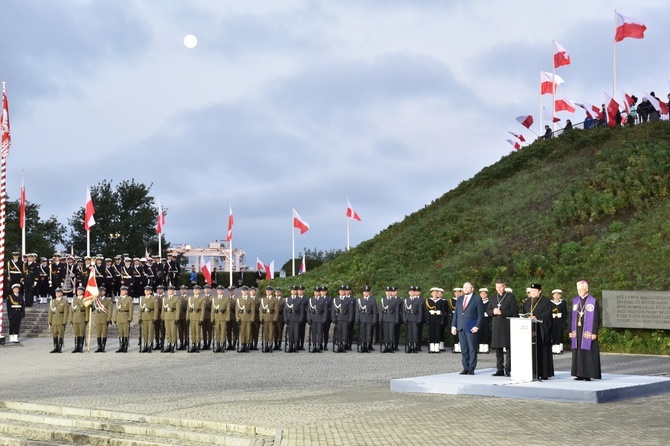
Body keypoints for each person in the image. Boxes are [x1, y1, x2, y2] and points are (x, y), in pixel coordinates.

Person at [569, 280, 602, 381]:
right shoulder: (575, 301)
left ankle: (587, 374)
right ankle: (579, 373)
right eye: (578, 289)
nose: (579, 291)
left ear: (586, 289)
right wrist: (569, 331)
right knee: (578, 352)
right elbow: (570, 318)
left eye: (581, 289)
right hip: (577, 331)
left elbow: (596, 318)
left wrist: (594, 332)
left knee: (587, 353)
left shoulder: (593, 301)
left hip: (587, 332)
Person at [522, 283, 554, 380]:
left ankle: (544, 373)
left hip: (542, 330)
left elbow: (548, 314)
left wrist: (537, 317)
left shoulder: (546, 301)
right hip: (530, 330)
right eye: (531, 291)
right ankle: (532, 371)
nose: (533, 293)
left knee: (543, 352)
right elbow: (524, 312)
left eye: (535, 291)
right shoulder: (527, 301)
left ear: (539, 291)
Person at [451, 282, 484, 375]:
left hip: (471, 325)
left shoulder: (477, 299)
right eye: (464, 287)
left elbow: (480, 315)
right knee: (464, 348)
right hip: (460, 326)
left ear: (472, 289)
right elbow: (456, 313)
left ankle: (471, 368)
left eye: (467, 287)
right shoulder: (460, 299)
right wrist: (453, 325)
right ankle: (465, 367)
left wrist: (477, 326)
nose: (465, 289)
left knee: (472, 348)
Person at [490, 279, 518, 377]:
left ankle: (508, 369)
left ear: (504, 286)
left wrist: (502, 313)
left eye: (501, 287)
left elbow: (514, 311)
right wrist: (493, 312)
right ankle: (499, 369)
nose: (499, 289)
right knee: (498, 349)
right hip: (496, 325)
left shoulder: (510, 297)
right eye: (497, 287)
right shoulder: (493, 297)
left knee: (509, 349)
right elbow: (488, 310)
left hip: (507, 325)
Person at [331, 285, 353, 353]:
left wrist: (350, 318)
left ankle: (343, 345)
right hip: (338, 318)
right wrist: (333, 318)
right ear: (339, 291)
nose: (342, 292)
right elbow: (333, 310)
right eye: (341, 291)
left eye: (343, 291)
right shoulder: (335, 299)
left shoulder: (348, 299)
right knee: (338, 333)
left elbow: (350, 310)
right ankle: (339, 345)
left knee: (344, 333)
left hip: (345, 318)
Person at [425, 287, 447, 354]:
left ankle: (436, 348)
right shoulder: (428, 301)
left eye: (436, 292)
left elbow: (443, 311)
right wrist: (427, 319)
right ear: (431, 293)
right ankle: (432, 348)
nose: (435, 294)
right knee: (431, 333)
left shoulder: (441, 301)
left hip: (438, 318)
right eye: (434, 292)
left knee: (437, 332)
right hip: (431, 318)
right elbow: (426, 311)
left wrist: (442, 319)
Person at [113, 285, 134, 353]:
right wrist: (115, 318)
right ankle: (121, 346)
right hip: (119, 317)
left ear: (126, 291)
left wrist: (130, 317)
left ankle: (125, 347)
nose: (122, 292)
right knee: (120, 333)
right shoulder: (119, 299)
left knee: (125, 333)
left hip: (125, 316)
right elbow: (116, 309)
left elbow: (131, 309)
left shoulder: (129, 299)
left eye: (123, 291)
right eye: (121, 291)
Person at [403, 286, 424, 353]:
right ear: (409, 292)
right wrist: (405, 318)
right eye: (411, 291)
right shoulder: (406, 300)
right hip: (408, 319)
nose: (412, 293)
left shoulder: (417, 301)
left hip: (415, 319)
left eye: (413, 291)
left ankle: (414, 346)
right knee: (409, 334)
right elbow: (404, 311)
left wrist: (419, 319)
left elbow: (420, 311)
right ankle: (409, 346)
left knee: (415, 333)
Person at [48, 287, 69, 353]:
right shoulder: (53, 301)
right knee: (54, 334)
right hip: (54, 319)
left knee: (61, 334)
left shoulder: (64, 302)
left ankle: (59, 347)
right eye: (56, 293)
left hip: (60, 319)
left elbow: (66, 312)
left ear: (61, 293)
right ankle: (55, 347)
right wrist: (49, 321)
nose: (57, 294)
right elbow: (50, 312)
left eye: (58, 293)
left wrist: (64, 321)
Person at [379, 286, 399, 353]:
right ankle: (386, 346)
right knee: (386, 333)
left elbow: (397, 310)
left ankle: (390, 346)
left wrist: (396, 319)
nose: (388, 293)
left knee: (391, 333)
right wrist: (380, 319)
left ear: (391, 292)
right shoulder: (383, 300)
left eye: (389, 291)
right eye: (387, 291)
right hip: (385, 317)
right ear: (385, 292)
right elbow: (381, 310)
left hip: (392, 317)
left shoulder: (395, 300)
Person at [306, 286, 327, 353]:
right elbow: (309, 310)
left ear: (319, 292)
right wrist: (309, 318)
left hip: (320, 318)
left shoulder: (323, 300)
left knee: (320, 333)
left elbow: (325, 311)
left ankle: (319, 346)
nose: (316, 293)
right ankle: (314, 345)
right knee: (314, 333)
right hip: (313, 318)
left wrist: (324, 318)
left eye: (317, 292)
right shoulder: (311, 300)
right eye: (315, 292)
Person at [93, 286, 113, 353]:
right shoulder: (96, 300)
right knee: (98, 333)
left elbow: (110, 310)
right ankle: (99, 347)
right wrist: (90, 304)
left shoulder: (108, 300)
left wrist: (108, 319)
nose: (100, 292)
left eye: (102, 291)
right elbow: (93, 309)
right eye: (100, 291)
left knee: (104, 333)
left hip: (104, 318)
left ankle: (103, 347)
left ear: (104, 292)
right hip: (97, 318)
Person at [211, 285, 230, 353]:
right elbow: (213, 309)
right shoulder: (214, 299)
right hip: (216, 318)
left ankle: (222, 346)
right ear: (217, 291)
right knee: (217, 332)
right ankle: (218, 345)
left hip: (223, 318)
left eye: (221, 290)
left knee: (223, 332)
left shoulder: (226, 299)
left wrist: (227, 318)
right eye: (218, 290)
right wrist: (212, 318)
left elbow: (228, 310)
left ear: (223, 291)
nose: (219, 291)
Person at [161, 285, 180, 353]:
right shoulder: (165, 299)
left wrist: (177, 318)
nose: (170, 291)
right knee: (168, 332)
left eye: (171, 290)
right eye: (169, 290)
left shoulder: (176, 298)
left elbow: (178, 309)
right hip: (166, 317)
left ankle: (173, 344)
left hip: (173, 317)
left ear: (173, 291)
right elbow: (163, 309)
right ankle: (168, 344)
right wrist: (162, 316)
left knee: (173, 332)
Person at [236, 286, 255, 353]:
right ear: (241, 291)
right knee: (242, 332)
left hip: (248, 318)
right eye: (243, 291)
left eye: (245, 291)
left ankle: (247, 345)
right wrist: (237, 318)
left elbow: (252, 311)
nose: (244, 292)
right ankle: (242, 345)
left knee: (248, 332)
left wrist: (252, 319)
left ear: (247, 291)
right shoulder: (239, 300)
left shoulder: (251, 300)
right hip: (241, 318)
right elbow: (237, 310)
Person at [139, 286, 157, 353]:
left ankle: (150, 345)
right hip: (144, 317)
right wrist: (140, 317)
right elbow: (140, 308)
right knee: (145, 332)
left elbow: (156, 309)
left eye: (148, 290)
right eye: (145, 290)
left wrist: (155, 317)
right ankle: (145, 345)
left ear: (151, 291)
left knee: (150, 332)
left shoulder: (153, 298)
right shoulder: (143, 298)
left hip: (150, 317)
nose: (146, 291)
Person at [69, 286, 88, 353]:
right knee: (76, 333)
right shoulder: (74, 299)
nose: (78, 292)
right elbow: (71, 310)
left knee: (81, 333)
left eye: (80, 291)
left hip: (82, 317)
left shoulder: (85, 299)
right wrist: (71, 319)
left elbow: (87, 310)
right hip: (75, 318)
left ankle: (80, 347)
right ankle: (76, 347)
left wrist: (86, 319)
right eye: (77, 291)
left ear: (83, 292)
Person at [550, 289, 568, 354]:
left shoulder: (562, 303)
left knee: (559, 335)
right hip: (553, 321)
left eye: (558, 295)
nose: (556, 296)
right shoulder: (550, 303)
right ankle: (553, 349)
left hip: (560, 321)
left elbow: (565, 313)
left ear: (560, 296)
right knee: (553, 335)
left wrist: (564, 322)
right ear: (553, 296)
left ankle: (559, 349)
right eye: (555, 295)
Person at [259, 286, 277, 353]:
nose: (268, 292)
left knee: (271, 332)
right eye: (267, 291)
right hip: (265, 318)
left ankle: (270, 345)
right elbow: (261, 310)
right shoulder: (263, 300)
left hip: (272, 318)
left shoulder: (274, 300)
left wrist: (275, 319)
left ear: (272, 292)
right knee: (265, 333)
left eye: (269, 291)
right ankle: (265, 345)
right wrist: (261, 318)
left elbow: (276, 311)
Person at [187, 285, 203, 353]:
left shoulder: (201, 299)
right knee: (192, 332)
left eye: (197, 290)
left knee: (197, 332)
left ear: (199, 291)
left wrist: (201, 319)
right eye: (194, 290)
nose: (195, 291)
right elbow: (188, 309)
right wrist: (187, 318)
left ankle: (197, 345)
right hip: (192, 317)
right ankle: (193, 344)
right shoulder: (190, 299)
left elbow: (202, 310)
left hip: (198, 317)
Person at [478, 288, 492, 354]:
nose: (483, 295)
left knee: (486, 333)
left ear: (486, 294)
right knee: (480, 333)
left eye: (484, 293)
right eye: (482, 293)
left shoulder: (489, 302)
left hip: (487, 319)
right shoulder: (478, 301)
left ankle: (486, 348)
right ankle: (481, 348)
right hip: (480, 319)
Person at [200, 285, 214, 350]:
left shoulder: (212, 298)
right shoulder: (201, 298)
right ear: (204, 290)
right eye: (205, 289)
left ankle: (209, 343)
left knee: (209, 331)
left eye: (208, 289)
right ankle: (205, 343)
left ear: (210, 290)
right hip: (203, 316)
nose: (207, 290)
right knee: (204, 331)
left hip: (209, 316)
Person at [273, 287, 285, 351]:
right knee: (275, 332)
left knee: (280, 332)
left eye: (279, 291)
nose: (277, 293)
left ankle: (279, 344)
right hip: (274, 318)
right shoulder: (273, 299)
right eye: (276, 291)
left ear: (281, 293)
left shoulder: (283, 300)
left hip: (280, 318)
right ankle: (275, 344)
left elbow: (285, 310)